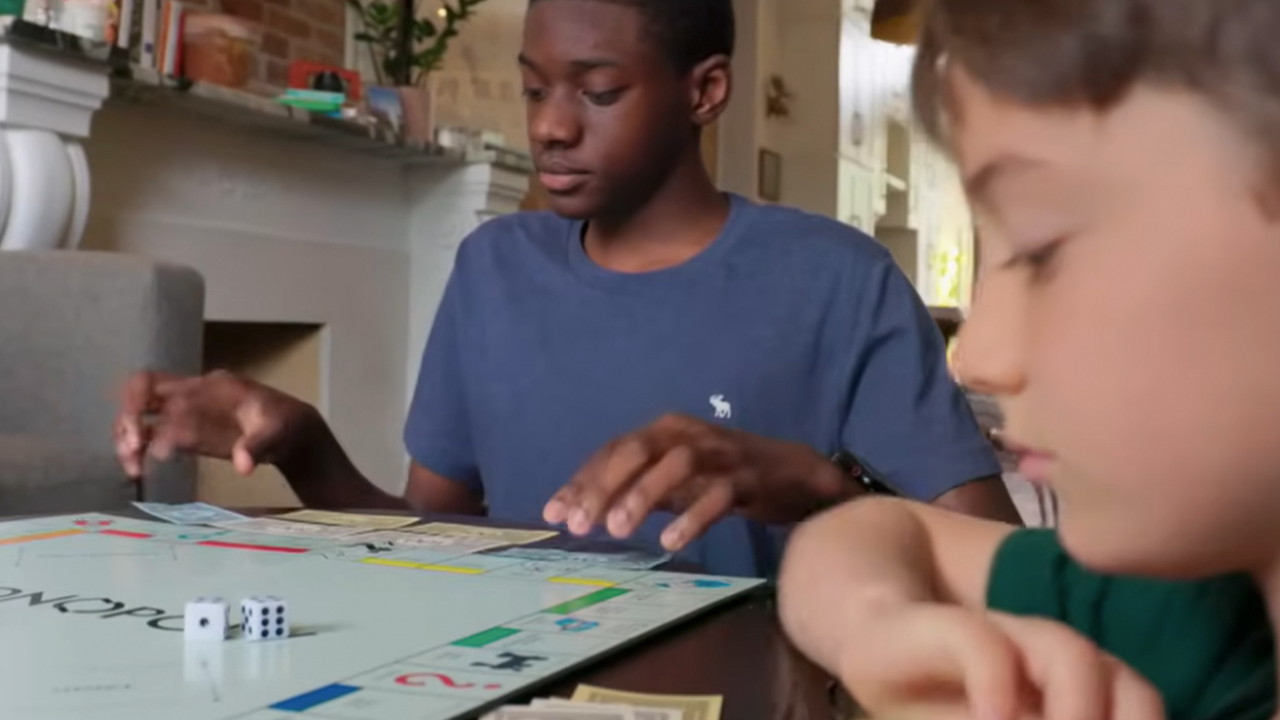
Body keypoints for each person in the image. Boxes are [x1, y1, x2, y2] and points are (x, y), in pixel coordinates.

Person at [115, 0, 1020, 578]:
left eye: (597, 91)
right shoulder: (493, 267)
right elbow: (431, 538)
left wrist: (821, 493)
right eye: (536, 88)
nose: (549, 126)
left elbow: (1004, 569)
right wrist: (302, 445)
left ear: (704, 92)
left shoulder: (836, 279)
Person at [778, 0, 1280, 717]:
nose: (978, 357)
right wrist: (877, 624)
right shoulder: (1197, 607)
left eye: (1042, 248)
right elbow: (863, 536)